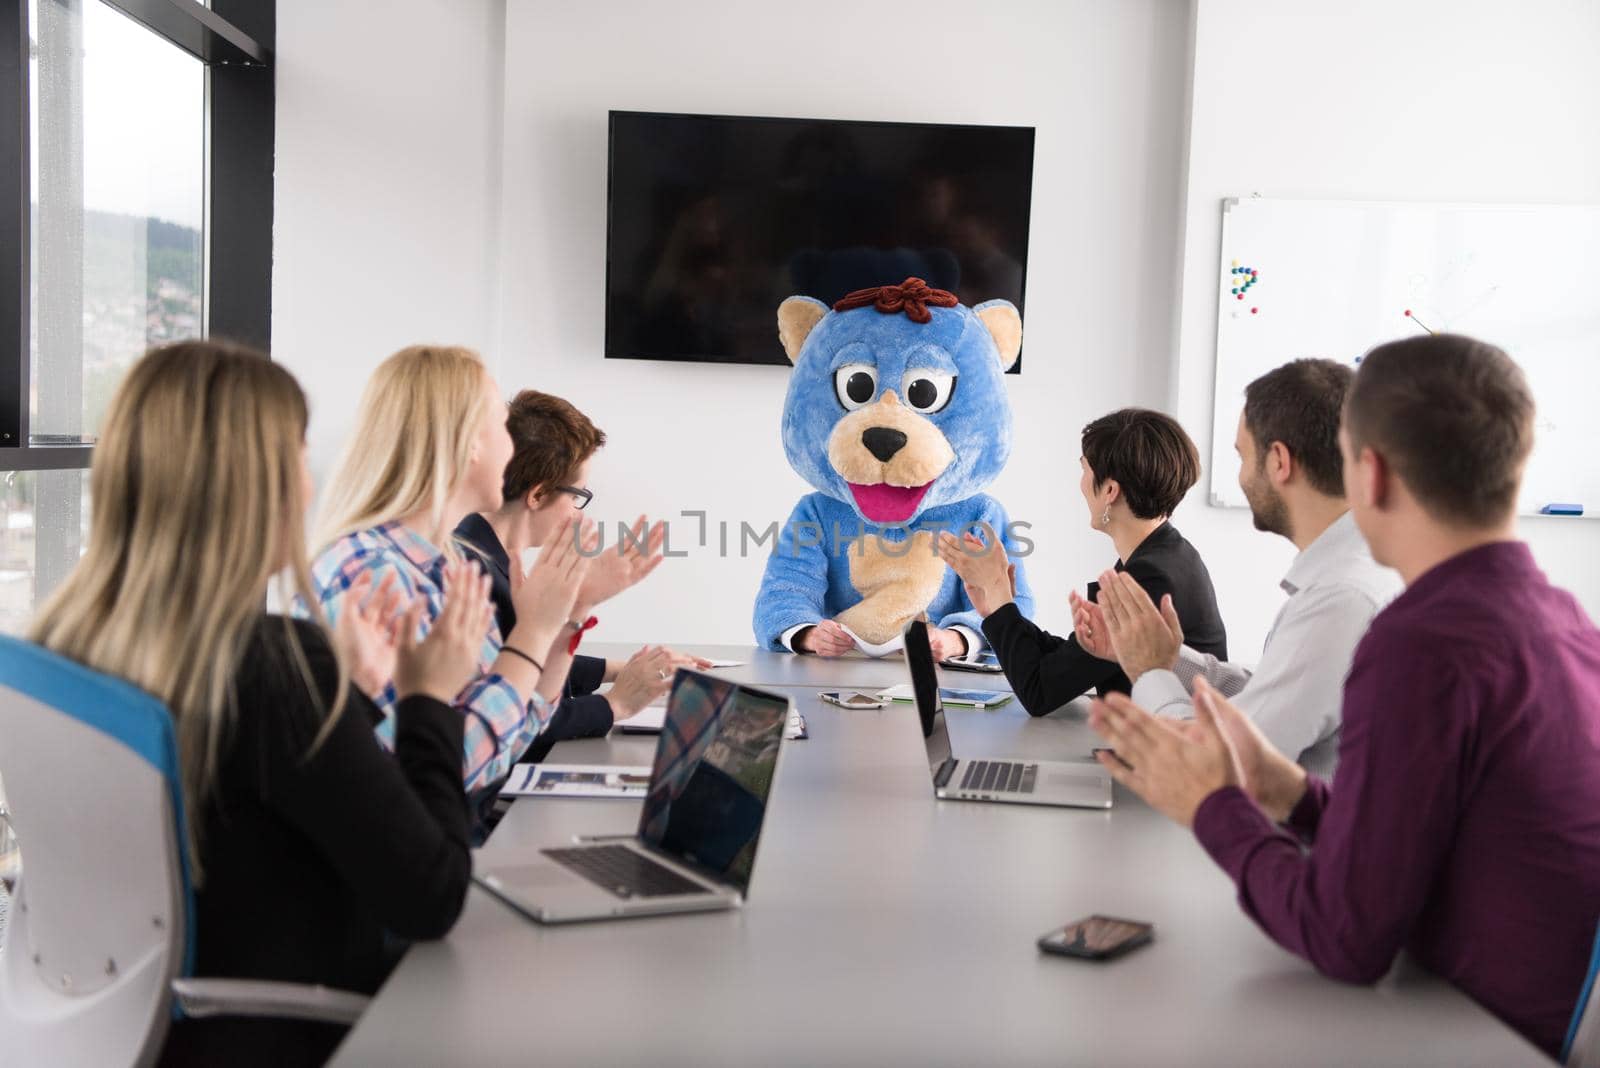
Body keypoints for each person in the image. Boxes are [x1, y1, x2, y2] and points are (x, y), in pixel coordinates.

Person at [26, 341, 581, 1066]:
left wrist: (346, 690)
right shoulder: (275, 667)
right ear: (262, 483)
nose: (309, 475)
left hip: (119, 1023)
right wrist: (425, 699)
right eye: (297, 450)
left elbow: (256, 793)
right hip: (287, 1022)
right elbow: (432, 896)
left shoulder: (63, 646)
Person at [1088, 335, 1600, 1060]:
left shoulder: (1422, 641)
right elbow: (1410, 834)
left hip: (1482, 1037)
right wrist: (1291, 793)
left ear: (1371, 474)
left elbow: (1345, 936)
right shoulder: (1562, 618)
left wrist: (1212, 808)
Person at [310, 346, 658, 799]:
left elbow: (515, 726)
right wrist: (537, 629)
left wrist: (571, 610)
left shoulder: (436, 564)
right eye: (500, 425)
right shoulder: (374, 575)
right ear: (468, 441)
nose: (513, 448)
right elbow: (453, 768)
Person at [1075, 359, 1398, 776]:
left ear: (1279, 461)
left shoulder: (1340, 599)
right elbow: (1268, 693)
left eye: (1242, 456)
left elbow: (1221, 764)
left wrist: (1150, 671)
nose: (1242, 476)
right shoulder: (1355, 573)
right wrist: (1169, 658)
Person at [453, 389, 708, 763]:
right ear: (538, 496)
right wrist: (615, 704)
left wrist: (619, 669)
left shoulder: (488, 554)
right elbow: (518, 719)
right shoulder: (476, 579)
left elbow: (530, 666)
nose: (578, 514)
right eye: (577, 496)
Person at [938, 407, 1226, 716]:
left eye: (1085, 469)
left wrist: (998, 596)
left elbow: (1040, 692)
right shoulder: (1164, 555)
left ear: (1110, 491)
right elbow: (1073, 658)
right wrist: (998, 609)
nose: (1082, 483)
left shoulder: (1149, 576)